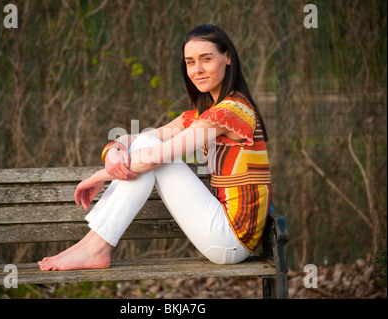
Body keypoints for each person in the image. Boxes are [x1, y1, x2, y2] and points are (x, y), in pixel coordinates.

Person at [38, 25, 271, 271]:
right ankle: (90, 246)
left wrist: (100, 176)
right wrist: (114, 148)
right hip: (223, 230)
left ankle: (95, 248)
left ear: (228, 58)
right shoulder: (207, 113)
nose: (197, 69)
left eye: (206, 59)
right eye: (190, 62)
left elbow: (154, 157)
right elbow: (139, 137)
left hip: (232, 239)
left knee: (151, 150)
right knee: (146, 142)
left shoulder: (230, 112)